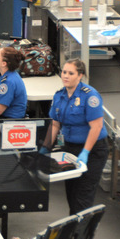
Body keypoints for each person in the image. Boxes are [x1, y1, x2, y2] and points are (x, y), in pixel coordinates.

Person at [42, 59, 108, 214]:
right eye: (64, 72)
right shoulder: (59, 96)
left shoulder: (90, 96)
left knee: (82, 198)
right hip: (70, 149)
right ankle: (73, 233)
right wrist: (45, 148)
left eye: (70, 73)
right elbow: (55, 125)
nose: (65, 76)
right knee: (71, 195)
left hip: (92, 151)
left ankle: (79, 235)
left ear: (80, 76)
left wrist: (85, 152)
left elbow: (96, 127)